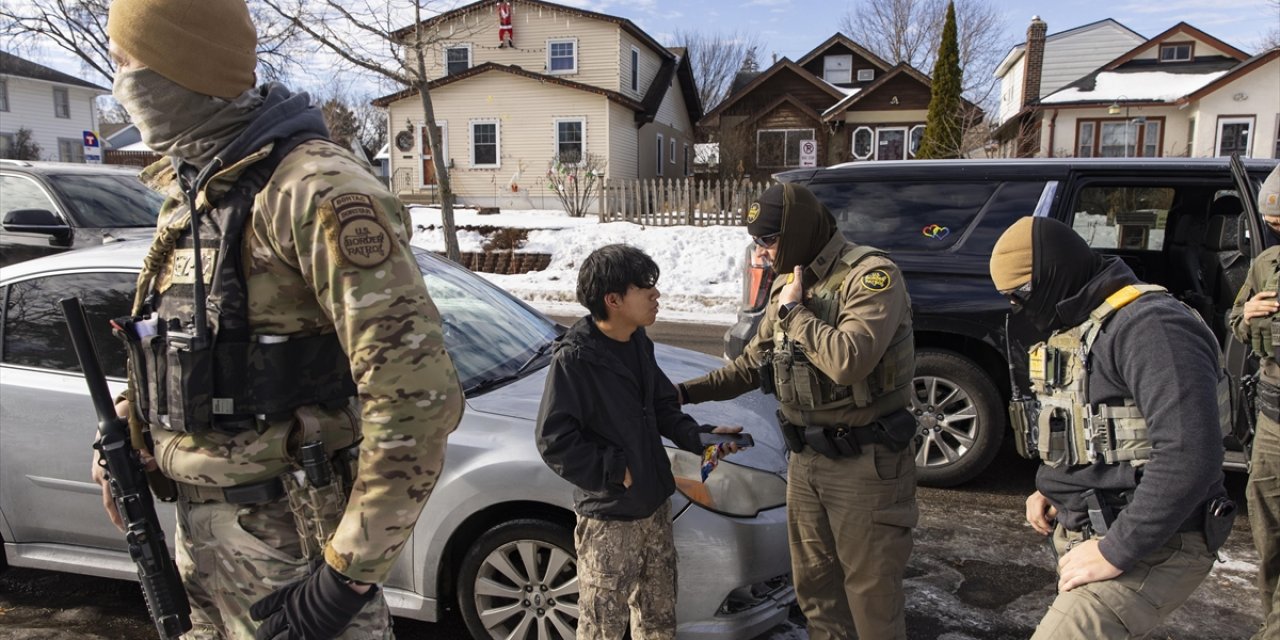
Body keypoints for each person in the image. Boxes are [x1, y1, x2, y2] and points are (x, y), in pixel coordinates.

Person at [94, 1, 465, 638]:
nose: (117, 78)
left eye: (126, 60)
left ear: (178, 63)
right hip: (201, 545)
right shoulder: (197, 192)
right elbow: (187, 341)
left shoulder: (314, 189)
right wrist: (130, 432)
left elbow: (415, 401)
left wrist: (347, 573)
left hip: (294, 554)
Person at [677, 183, 919, 640]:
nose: (763, 254)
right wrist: (682, 395)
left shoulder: (870, 277)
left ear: (798, 231)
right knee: (816, 594)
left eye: (769, 241)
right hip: (806, 463)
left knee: (872, 603)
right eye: (757, 243)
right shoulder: (793, 280)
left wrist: (795, 315)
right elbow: (751, 364)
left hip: (865, 466)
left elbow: (850, 359)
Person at [991, 216, 1235, 639]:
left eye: (1023, 294)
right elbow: (1094, 424)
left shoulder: (1151, 326)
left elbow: (1189, 454)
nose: (1020, 307)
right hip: (1102, 527)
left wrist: (1115, 550)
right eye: (1010, 299)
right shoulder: (1084, 319)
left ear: (1056, 272)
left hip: (1159, 540)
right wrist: (1053, 485)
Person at [535, 244, 745, 640]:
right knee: (603, 630)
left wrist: (700, 437)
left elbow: (663, 405)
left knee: (658, 620)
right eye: (645, 288)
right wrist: (617, 472)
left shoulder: (637, 341)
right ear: (613, 300)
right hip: (610, 519)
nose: (656, 295)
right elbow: (553, 439)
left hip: (654, 506)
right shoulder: (576, 360)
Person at [1230, 165, 1280, 640]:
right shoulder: (1267, 264)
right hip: (1271, 422)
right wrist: (1247, 315)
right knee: (1267, 532)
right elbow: (1233, 319)